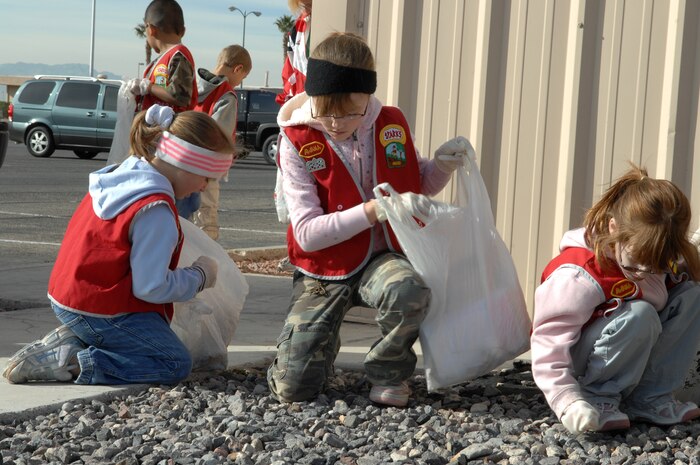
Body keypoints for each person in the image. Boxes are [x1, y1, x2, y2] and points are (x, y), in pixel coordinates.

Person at [267, 32, 469, 407]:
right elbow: (308, 234)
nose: (336, 122)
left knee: (408, 289)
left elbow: (417, 185)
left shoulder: (390, 122)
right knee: (294, 389)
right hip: (323, 267)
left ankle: (390, 373)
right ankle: (318, 344)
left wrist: (441, 165)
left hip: (382, 256)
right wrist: (372, 211)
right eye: (325, 110)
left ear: (369, 97)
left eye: (349, 111)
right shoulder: (294, 140)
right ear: (313, 97)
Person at [2, 105, 235, 385]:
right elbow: (151, 287)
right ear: (185, 163)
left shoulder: (125, 177)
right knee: (173, 362)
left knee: (153, 342)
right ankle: (72, 359)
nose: (204, 187)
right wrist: (199, 276)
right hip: (100, 309)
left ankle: (75, 338)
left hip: (71, 295)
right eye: (206, 177)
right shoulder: (156, 211)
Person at [531, 164, 700, 433]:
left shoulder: (656, 254)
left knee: (692, 296)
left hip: (626, 342)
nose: (646, 274)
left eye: (657, 266)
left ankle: (650, 396)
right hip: (583, 360)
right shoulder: (578, 275)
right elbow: (547, 346)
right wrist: (567, 400)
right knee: (641, 313)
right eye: (636, 266)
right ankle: (599, 396)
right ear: (613, 228)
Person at [191, 45, 252, 240]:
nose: (239, 82)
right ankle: (203, 261)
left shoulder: (192, 87)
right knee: (206, 217)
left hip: (182, 160)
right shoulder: (226, 95)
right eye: (243, 77)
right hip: (207, 166)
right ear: (238, 69)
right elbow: (219, 134)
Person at [276, 0, 313, 105]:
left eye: (309, 4)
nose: (306, 7)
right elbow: (290, 69)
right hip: (302, 101)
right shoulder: (297, 28)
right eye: (303, 4)